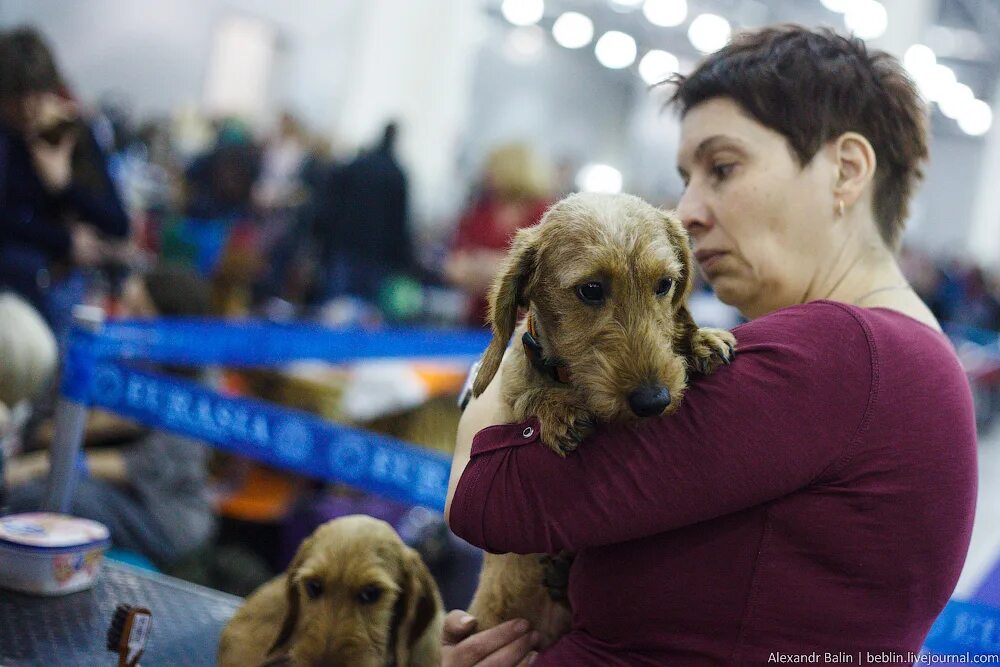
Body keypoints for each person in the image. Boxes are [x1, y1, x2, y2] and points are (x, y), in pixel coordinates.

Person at [443, 26, 977, 665]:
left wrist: (526, 334)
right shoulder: (911, 359)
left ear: (847, 170)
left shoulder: (837, 354)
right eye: (685, 176)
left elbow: (487, 497)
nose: (688, 210)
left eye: (722, 167)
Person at [5, 265, 217, 569]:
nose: (123, 318)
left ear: (172, 329)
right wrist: (103, 423)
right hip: (76, 476)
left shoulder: (195, 382)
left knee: (45, 494)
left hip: (158, 511)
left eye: (139, 313)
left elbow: (147, 466)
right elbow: (34, 430)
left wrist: (45, 465)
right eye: (124, 304)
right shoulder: (95, 348)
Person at [0, 27, 130, 320]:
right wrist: (63, 240)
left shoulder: (73, 134)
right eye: (16, 96)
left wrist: (63, 185)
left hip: (59, 285)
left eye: (36, 93)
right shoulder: (6, 139)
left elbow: (117, 223)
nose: (28, 108)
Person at [444, 143, 552, 327]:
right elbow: (453, 267)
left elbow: (543, 272)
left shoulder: (544, 215)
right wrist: (505, 270)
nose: (486, 174)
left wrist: (480, 266)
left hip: (526, 326)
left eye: (491, 168)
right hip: (477, 322)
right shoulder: (477, 212)